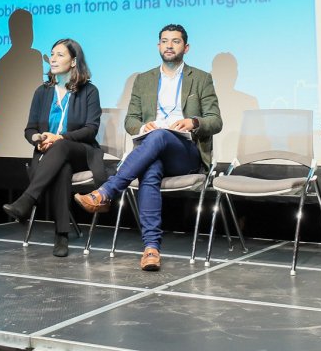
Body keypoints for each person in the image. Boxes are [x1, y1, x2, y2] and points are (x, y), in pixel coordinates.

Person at [74, 24, 222, 271]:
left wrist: (194, 122)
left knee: (161, 136)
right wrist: (144, 127)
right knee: (151, 168)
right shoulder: (143, 80)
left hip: (185, 153)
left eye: (175, 41)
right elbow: (130, 121)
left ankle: (107, 191)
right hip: (152, 149)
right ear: (158, 46)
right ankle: (151, 249)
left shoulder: (201, 78)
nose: (169, 46)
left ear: (186, 47)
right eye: (164, 41)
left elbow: (216, 121)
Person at [2, 38, 105, 257]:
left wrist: (59, 137)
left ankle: (27, 200)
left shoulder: (89, 91)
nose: (53, 59)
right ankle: (61, 235)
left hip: (82, 152)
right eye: (52, 54)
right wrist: (38, 138)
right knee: (62, 168)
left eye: (60, 55)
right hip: (50, 155)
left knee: (62, 147)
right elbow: (30, 129)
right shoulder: (42, 92)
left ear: (74, 61)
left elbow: (90, 130)